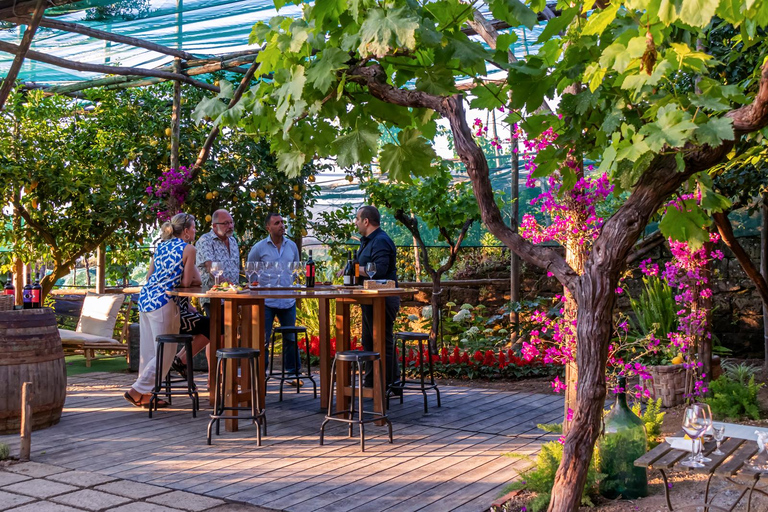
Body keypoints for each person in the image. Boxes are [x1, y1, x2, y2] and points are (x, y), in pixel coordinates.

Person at [125, 213, 200, 408]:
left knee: (149, 351)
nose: (195, 231)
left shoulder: (160, 247)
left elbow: (150, 276)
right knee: (165, 353)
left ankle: (146, 395)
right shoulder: (189, 249)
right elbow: (185, 282)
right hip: (164, 302)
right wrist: (189, 278)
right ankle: (136, 391)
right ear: (185, 231)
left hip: (146, 299)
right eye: (193, 228)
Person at [248, 213, 302, 384]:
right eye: (277, 223)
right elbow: (251, 272)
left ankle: (292, 374)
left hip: (287, 299)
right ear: (268, 228)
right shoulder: (259, 248)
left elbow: (296, 270)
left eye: (282, 222)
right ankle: (259, 375)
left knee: (291, 337)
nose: (281, 225)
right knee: (263, 339)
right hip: (267, 301)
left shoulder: (292, 246)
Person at [353, 205, 401, 391]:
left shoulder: (381, 241)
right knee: (371, 340)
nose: (355, 222)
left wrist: (355, 269)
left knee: (381, 339)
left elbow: (379, 270)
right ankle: (375, 383)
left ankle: (387, 384)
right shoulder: (366, 241)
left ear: (366, 221)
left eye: (357, 219)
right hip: (370, 298)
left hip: (384, 298)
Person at [195, 209, 240, 318]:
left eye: (231, 222)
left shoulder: (233, 241)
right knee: (219, 332)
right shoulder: (205, 241)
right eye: (225, 223)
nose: (230, 226)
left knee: (234, 331)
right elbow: (211, 268)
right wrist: (227, 286)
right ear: (214, 226)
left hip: (233, 297)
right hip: (214, 298)